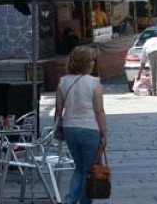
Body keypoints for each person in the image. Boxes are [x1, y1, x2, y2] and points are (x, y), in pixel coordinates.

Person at [56, 46, 108, 204]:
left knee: (79, 168)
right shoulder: (94, 82)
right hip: (90, 129)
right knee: (89, 169)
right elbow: (99, 111)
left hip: (70, 128)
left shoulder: (63, 82)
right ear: (86, 63)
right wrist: (104, 133)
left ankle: (70, 200)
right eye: (91, 60)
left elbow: (59, 109)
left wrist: (59, 129)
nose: (93, 63)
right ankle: (80, 201)